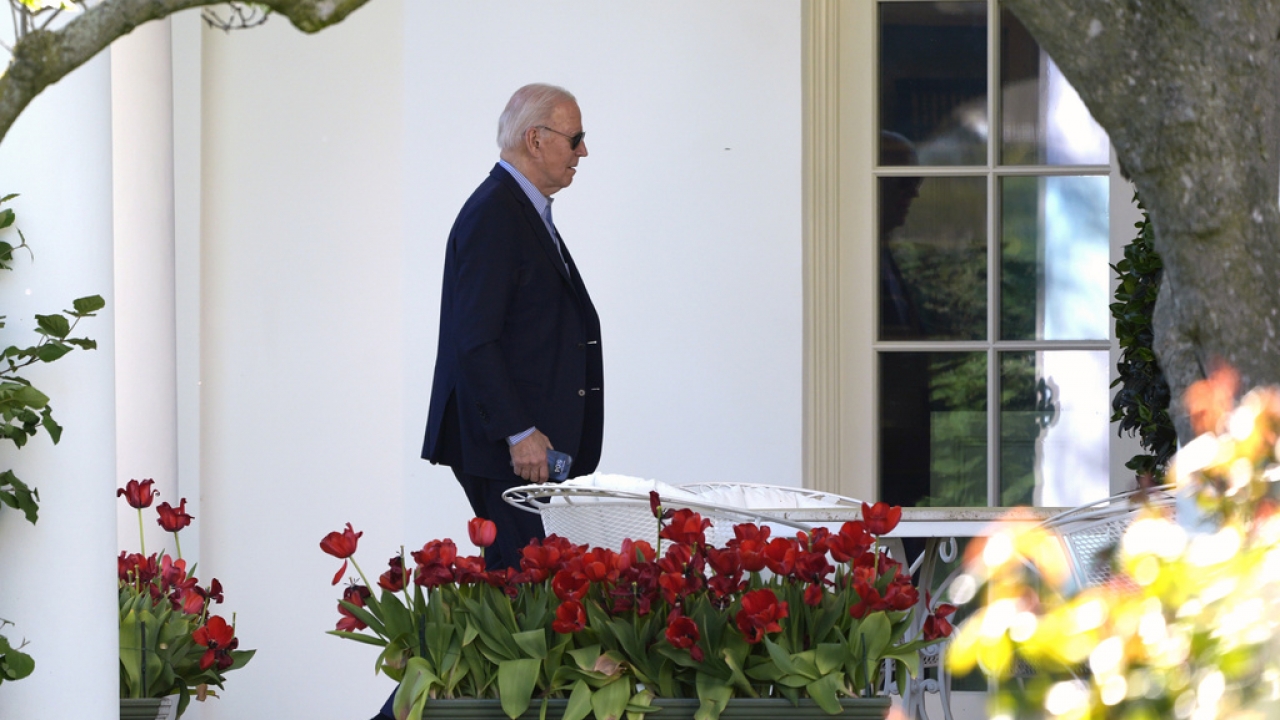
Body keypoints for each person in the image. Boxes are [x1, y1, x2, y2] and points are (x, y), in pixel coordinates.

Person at [421, 83, 604, 574]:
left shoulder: (519, 209)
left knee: (522, 592)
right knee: (524, 595)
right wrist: (519, 432)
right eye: (576, 137)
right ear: (536, 139)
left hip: (518, 450)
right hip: (506, 450)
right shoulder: (496, 215)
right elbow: (475, 339)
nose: (583, 150)